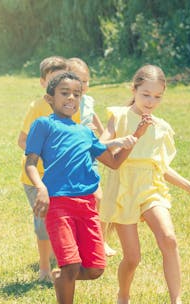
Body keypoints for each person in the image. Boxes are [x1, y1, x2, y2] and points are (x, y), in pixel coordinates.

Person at [24, 72, 144, 304]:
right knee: (71, 264)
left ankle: (61, 277)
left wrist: (136, 136)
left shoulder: (85, 132)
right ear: (50, 98)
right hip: (58, 204)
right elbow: (30, 163)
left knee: (95, 269)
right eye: (64, 93)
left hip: (88, 205)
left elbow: (114, 162)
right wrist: (41, 188)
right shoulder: (44, 125)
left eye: (76, 94)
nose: (71, 98)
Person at [99, 65, 190, 304]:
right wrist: (125, 139)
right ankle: (123, 295)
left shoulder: (161, 126)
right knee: (132, 257)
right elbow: (100, 146)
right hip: (123, 189)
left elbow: (161, 167)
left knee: (169, 239)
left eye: (158, 96)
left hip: (151, 187)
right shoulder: (118, 116)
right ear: (134, 89)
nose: (151, 101)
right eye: (146, 94)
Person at [17, 56, 80, 283]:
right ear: (44, 83)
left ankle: (62, 258)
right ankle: (44, 268)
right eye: (54, 80)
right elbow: (22, 140)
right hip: (36, 177)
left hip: (62, 176)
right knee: (43, 223)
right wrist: (46, 152)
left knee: (64, 219)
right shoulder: (37, 108)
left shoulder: (71, 106)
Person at [67, 57, 117, 257]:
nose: (83, 85)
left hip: (89, 156)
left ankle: (101, 241)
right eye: (78, 80)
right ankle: (72, 243)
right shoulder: (66, 102)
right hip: (71, 157)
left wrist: (104, 135)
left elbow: (93, 115)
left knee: (98, 197)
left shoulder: (88, 100)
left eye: (86, 80)